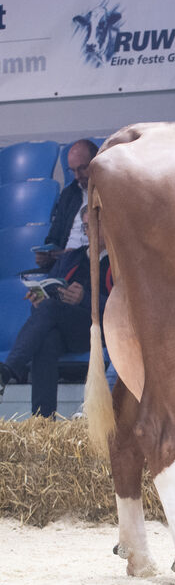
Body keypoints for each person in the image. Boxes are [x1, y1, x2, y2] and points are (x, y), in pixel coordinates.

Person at [0, 207, 112, 417]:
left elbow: (122, 308)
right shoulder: (70, 259)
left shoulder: (119, 261)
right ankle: (43, 419)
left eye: (95, 225)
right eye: (86, 226)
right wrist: (38, 301)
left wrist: (84, 299)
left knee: (50, 310)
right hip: (65, 327)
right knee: (46, 340)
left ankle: (8, 370)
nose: (90, 231)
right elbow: (49, 290)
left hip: (101, 330)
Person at [35, 139, 98, 271]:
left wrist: (74, 254)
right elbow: (54, 238)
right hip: (64, 263)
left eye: (82, 168)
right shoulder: (69, 194)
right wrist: (47, 255)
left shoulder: (112, 193)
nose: (77, 176)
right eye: (73, 170)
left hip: (92, 264)